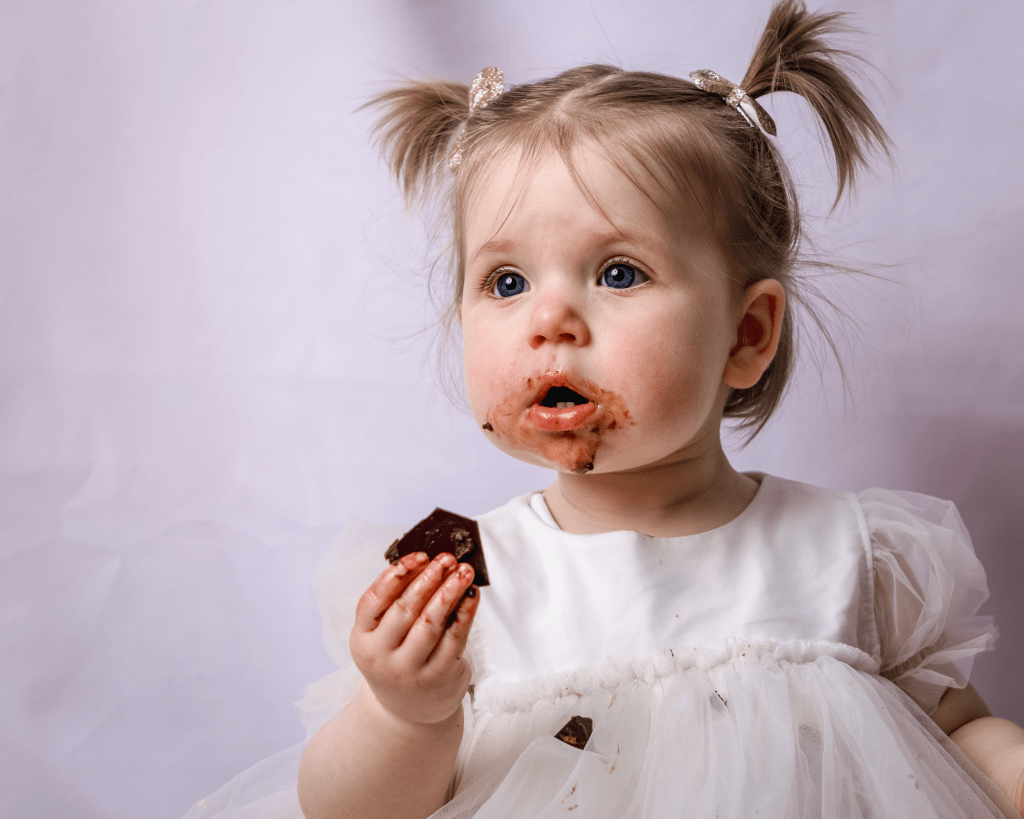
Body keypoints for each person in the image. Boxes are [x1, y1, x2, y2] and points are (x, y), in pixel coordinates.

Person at [184, 1, 1024, 817]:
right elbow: (347, 813)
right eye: (505, 282)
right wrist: (404, 713)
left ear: (747, 332)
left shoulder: (854, 559)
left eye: (618, 272)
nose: (550, 320)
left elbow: (958, 738)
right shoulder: (466, 586)